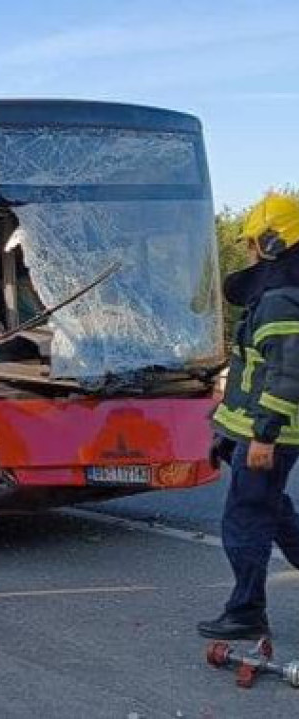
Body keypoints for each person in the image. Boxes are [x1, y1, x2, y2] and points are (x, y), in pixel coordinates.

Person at [201, 193, 299, 640]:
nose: (247, 252)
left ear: (273, 243)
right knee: (272, 510)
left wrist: (263, 437)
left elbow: (287, 374)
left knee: (245, 521)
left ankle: (245, 612)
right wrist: (229, 434)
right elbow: (253, 373)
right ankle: (246, 607)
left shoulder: (279, 300)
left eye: (252, 243)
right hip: (261, 432)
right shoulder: (278, 296)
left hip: (271, 436)